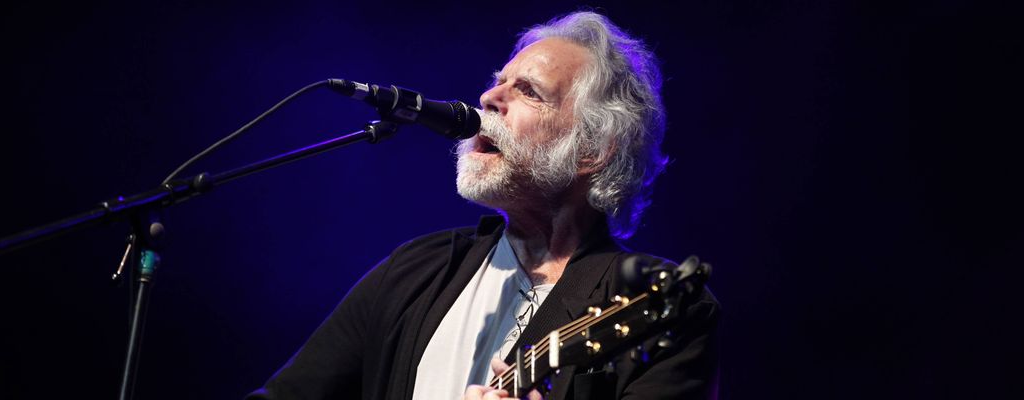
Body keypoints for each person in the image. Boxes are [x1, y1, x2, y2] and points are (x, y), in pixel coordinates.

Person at [247, 11, 719, 400]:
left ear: (592, 150)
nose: (489, 98)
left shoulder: (661, 304)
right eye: (499, 83)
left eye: (528, 92)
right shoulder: (414, 271)